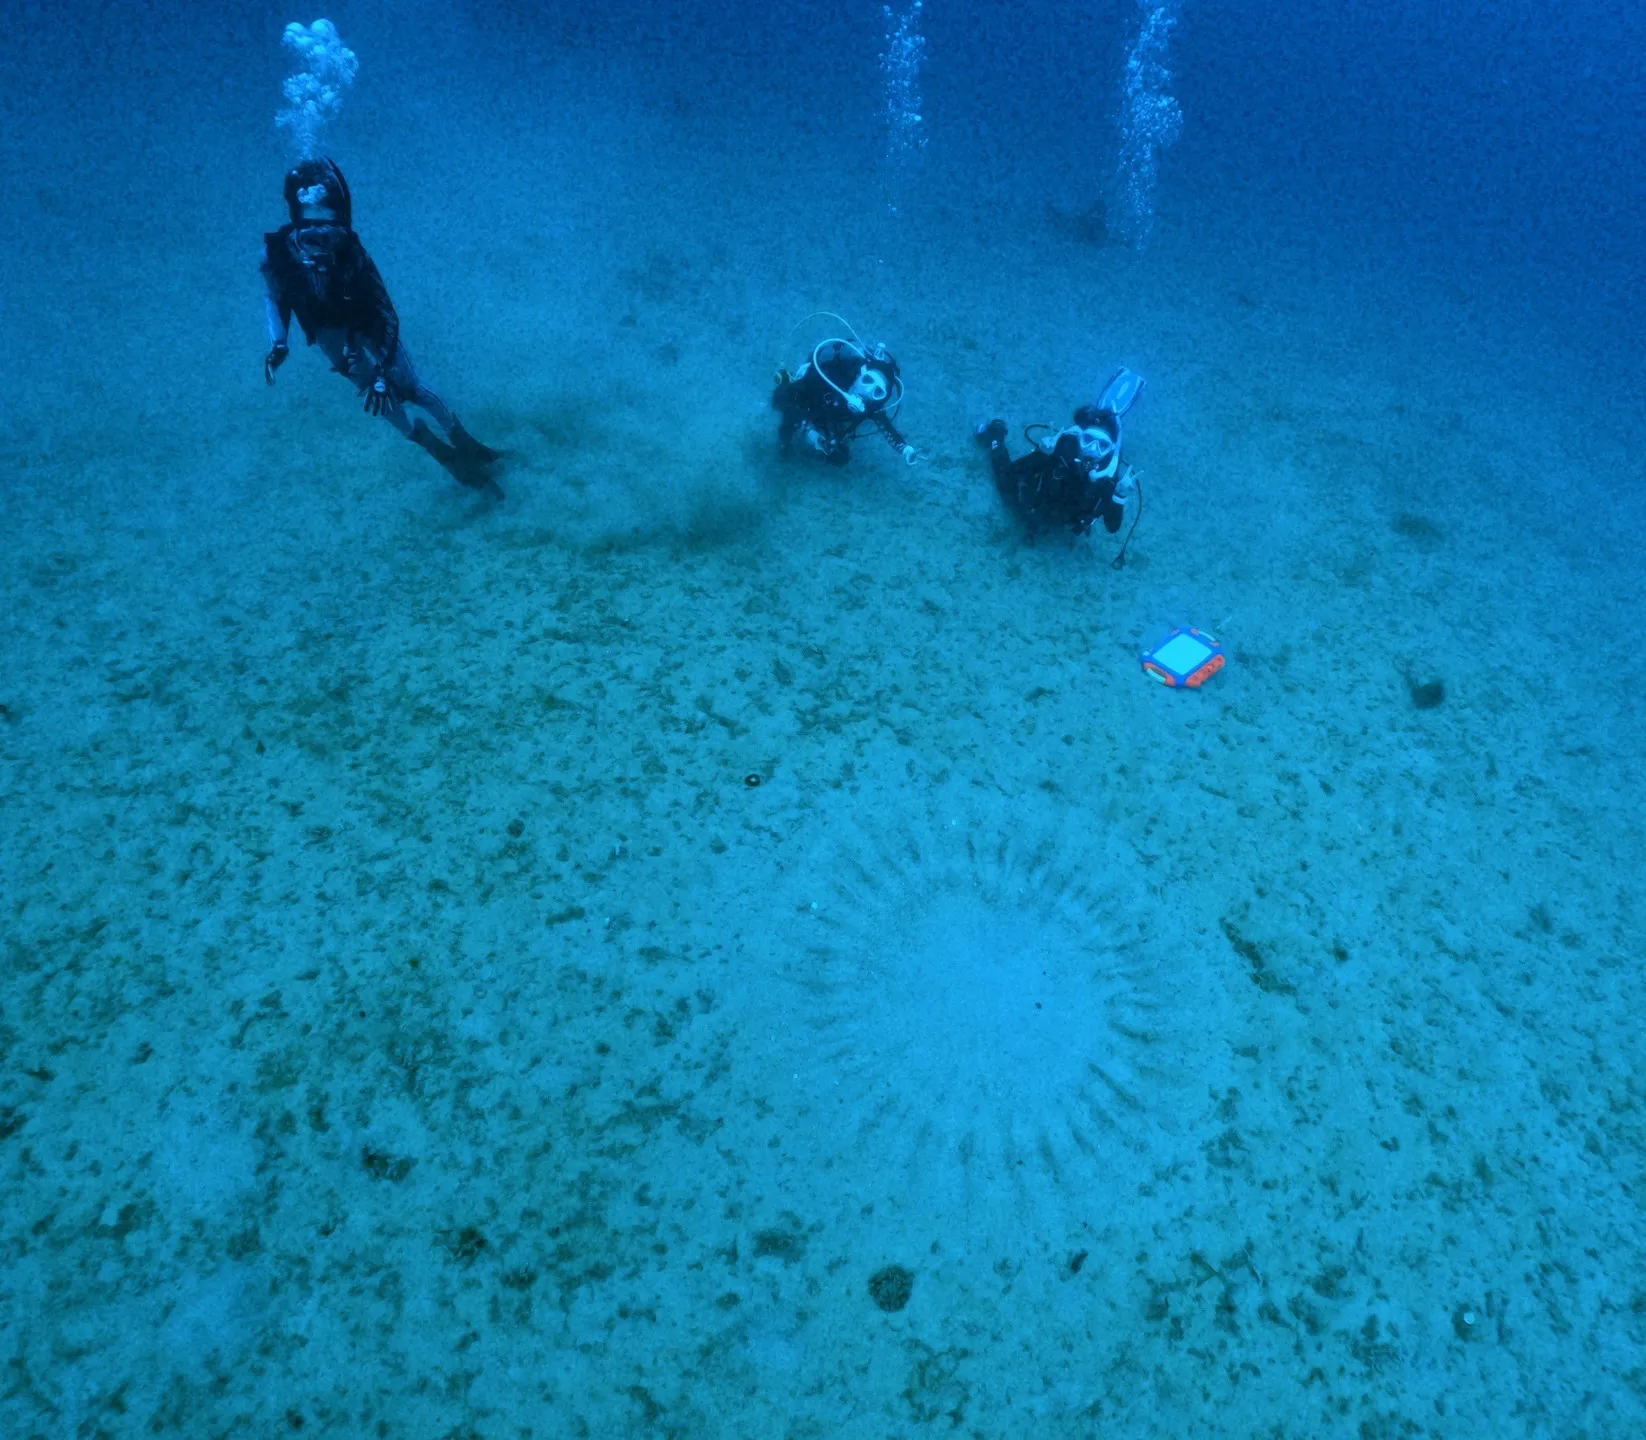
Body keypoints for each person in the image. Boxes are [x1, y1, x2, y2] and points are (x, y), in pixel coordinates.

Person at [260, 157, 504, 498]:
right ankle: (437, 448)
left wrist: (382, 372)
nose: (318, 240)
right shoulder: (279, 255)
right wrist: (279, 343)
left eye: (326, 229)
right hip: (332, 336)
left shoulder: (351, 254)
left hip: (369, 327)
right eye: (309, 231)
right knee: (377, 395)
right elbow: (276, 298)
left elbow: (386, 313)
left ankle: (462, 440)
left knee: (409, 388)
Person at [974, 368, 1145, 542]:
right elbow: (1012, 471)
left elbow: (1112, 527)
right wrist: (1042, 454)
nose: (1092, 449)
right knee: (1005, 484)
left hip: (1063, 520)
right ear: (1080, 437)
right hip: (1033, 504)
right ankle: (996, 435)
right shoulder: (1064, 449)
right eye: (1088, 439)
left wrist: (1120, 495)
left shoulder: (1107, 478)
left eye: (1102, 445)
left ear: (1110, 450)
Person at [772, 333, 918, 468]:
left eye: (877, 392)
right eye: (867, 381)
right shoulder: (829, 376)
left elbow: (887, 429)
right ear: (860, 374)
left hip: (831, 413)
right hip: (812, 398)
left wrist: (906, 450)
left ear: (882, 396)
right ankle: (785, 444)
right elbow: (787, 399)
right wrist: (808, 430)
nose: (867, 392)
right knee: (786, 403)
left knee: (839, 458)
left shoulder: (872, 405)